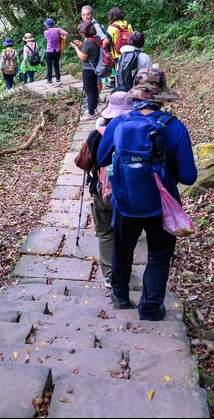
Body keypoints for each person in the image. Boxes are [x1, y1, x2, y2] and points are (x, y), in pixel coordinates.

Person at [97, 68, 197, 321]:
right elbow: (189, 177)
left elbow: (101, 158)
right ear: (161, 97)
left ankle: (120, 296)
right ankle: (151, 307)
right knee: (159, 255)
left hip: (125, 201)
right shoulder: (174, 127)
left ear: (136, 95)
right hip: (162, 204)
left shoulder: (118, 123)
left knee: (122, 248)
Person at [74, 91, 134, 289]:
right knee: (126, 232)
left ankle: (110, 274)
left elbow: (82, 162)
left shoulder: (98, 135)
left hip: (103, 192)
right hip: (133, 192)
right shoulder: (138, 131)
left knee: (106, 232)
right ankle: (125, 269)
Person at [70, 21, 102, 121]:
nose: (81, 33)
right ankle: (95, 109)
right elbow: (91, 50)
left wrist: (76, 48)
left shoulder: (88, 41)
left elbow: (83, 57)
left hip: (88, 69)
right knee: (94, 89)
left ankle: (91, 113)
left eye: (82, 32)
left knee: (89, 90)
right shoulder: (96, 38)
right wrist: (82, 45)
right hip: (95, 68)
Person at [82, 4, 111, 88]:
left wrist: (99, 51)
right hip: (92, 59)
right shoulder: (88, 26)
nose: (85, 17)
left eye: (87, 14)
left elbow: (106, 40)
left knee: (97, 80)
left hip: (96, 59)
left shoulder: (95, 26)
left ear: (91, 15)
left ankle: (96, 98)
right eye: (83, 15)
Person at [43, 18, 67, 85]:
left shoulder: (46, 32)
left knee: (49, 65)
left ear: (47, 25)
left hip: (49, 51)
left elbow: (47, 38)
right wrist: (60, 34)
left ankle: (49, 80)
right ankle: (58, 79)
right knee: (56, 65)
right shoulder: (58, 30)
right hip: (57, 50)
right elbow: (66, 33)